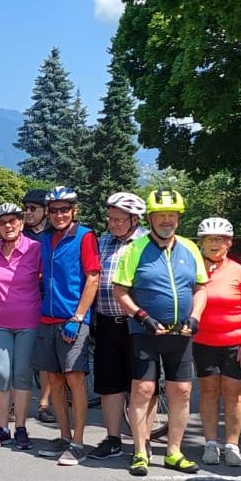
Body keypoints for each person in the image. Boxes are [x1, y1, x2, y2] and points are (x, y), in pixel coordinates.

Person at [113, 189, 207, 476]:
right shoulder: (135, 248)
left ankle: (174, 452)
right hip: (146, 333)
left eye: (172, 216)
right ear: (150, 218)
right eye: (161, 216)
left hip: (181, 334)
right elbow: (120, 291)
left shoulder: (190, 248)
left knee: (182, 390)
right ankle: (140, 451)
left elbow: (201, 287)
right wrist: (142, 317)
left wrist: (195, 316)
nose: (167, 221)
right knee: (142, 390)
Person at [33, 187, 100, 466]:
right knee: (55, 381)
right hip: (47, 318)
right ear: (48, 212)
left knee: (74, 380)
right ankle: (63, 434)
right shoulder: (46, 238)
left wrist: (78, 317)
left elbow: (93, 278)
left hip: (73, 319)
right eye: (54, 210)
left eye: (65, 209)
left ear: (74, 211)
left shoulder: (84, 236)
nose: (59, 214)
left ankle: (78, 441)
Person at [193, 217, 241, 467]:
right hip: (203, 341)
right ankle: (211, 443)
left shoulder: (240, 272)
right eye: (209, 239)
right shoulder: (195, 269)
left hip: (235, 343)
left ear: (229, 243)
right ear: (201, 243)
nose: (214, 244)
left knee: (234, 394)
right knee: (209, 391)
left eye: (220, 240)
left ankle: (232, 444)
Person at [88, 192, 149, 460]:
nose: (112, 223)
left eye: (119, 219)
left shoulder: (147, 243)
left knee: (142, 383)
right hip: (106, 322)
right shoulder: (102, 242)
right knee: (109, 383)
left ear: (134, 220)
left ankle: (142, 441)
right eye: (110, 218)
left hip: (137, 323)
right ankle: (113, 438)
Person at [0, 203, 41, 450]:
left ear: (21, 223)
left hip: (29, 321)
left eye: (13, 221)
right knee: (1, 372)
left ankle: (21, 427)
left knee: (21, 375)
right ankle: (2, 427)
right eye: (3, 222)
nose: (8, 226)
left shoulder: (35, 249)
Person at [23, 188, 54, 422]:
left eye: (33, 208)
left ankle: (44, 404)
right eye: (26, 208)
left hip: (47, 299)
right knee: (22, 356)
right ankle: (17, 403)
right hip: (24, 300)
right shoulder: (19, 233)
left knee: (45, 357)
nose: (27, 212)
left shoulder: (54, 234)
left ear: (45, 211)